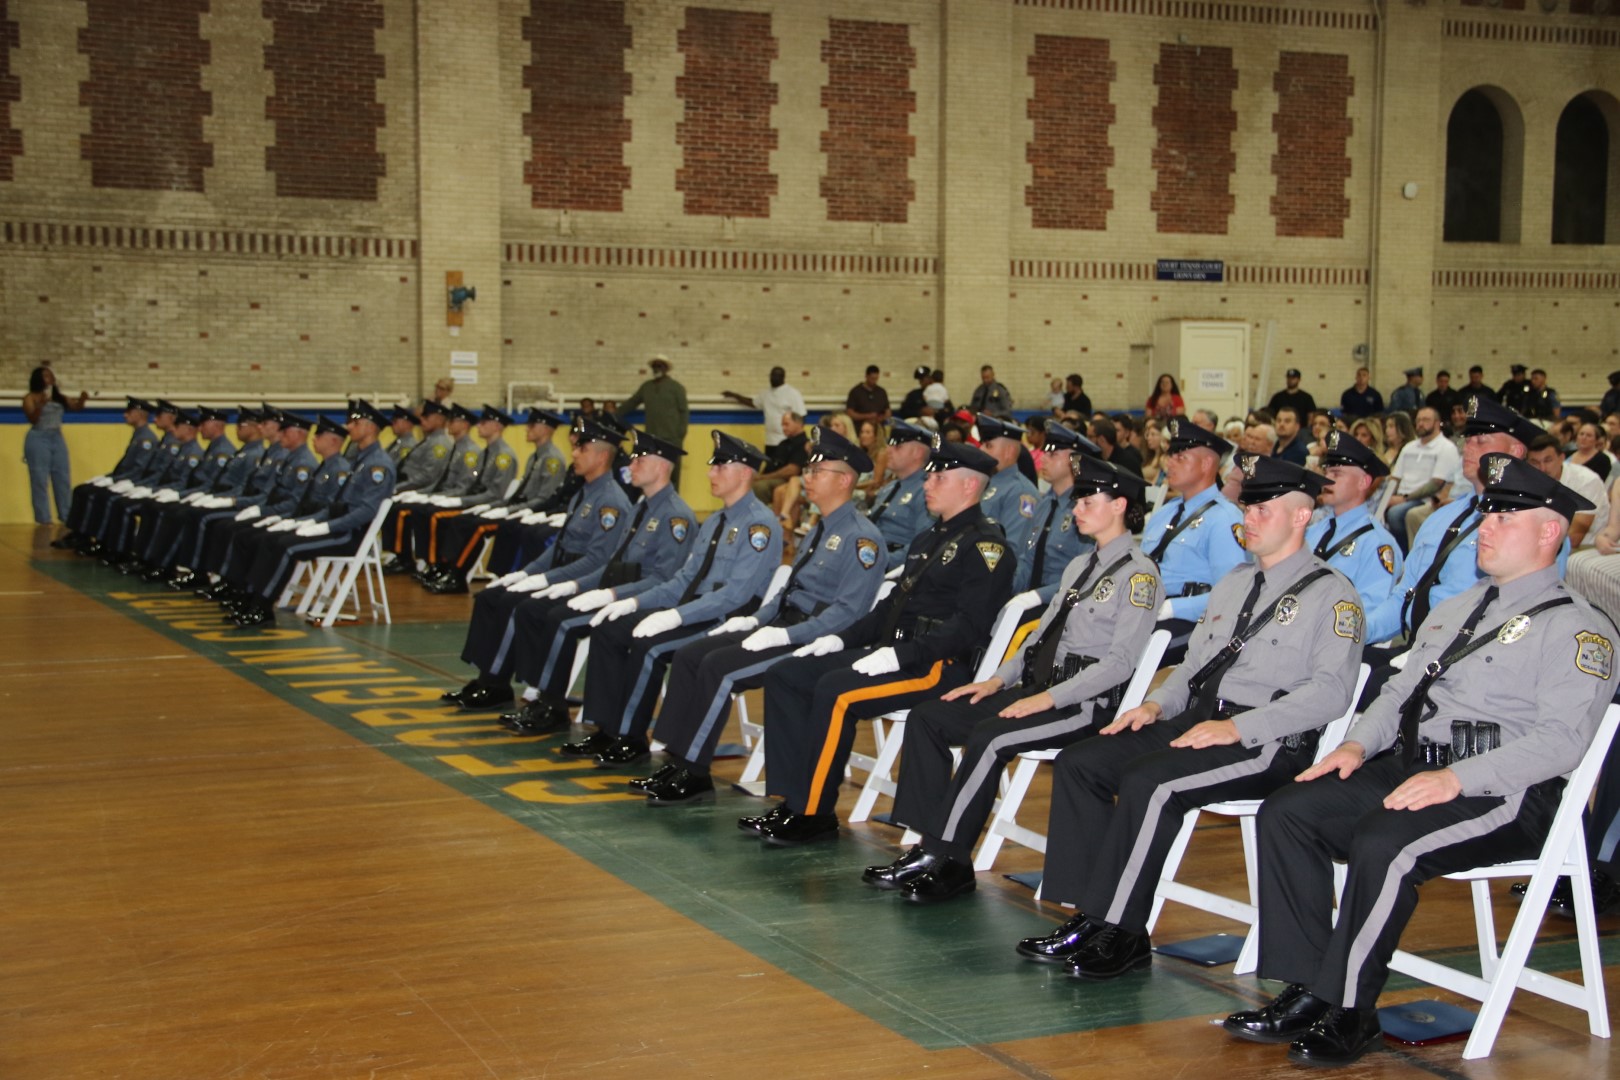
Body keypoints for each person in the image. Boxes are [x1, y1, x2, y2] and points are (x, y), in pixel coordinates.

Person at [1225, 453, 1611, 1067]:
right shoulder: (1455, 610)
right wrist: (1356, 744)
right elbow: (1398, 693)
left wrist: (1457, 777)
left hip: (1506, 791)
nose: (1485, 528)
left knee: (1385, 843)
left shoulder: (1579, 631)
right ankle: (1308, 987)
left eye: (1504, 519)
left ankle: (1351, 1010)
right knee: (1288, 812)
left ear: (1549, 533)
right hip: (1416, 769)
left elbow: (1562, 741)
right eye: (1486, 514)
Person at [1016, 455, 1361, 978]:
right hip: (1198, 721)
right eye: (1247, 508)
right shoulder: (1234, 582)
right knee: (1083, 762)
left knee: (1150, 782)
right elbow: (1195, 667)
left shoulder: (1333, 595)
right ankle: (1089, 911)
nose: (1248, 519)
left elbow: (1331, 694)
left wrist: (1238, 727)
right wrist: (1156, 704)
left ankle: (1120, 929)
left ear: (1301, 517)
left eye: (1263, 510)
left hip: (1264, 741)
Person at [867, 455, 1161, 902]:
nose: (1076, 509)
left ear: (1119, 505)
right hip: (1039, 689)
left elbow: (1120, 664)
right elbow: (1038, 639)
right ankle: (927, 845)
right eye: (1077, 500)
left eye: (1088, 501)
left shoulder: (1139, 576)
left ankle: (949, 859)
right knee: (931, 717)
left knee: (991, 737)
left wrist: (1048, 699)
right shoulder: (1080, 566)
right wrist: (997, 681)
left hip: (1082, 704)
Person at [742, 438, 1017, 846]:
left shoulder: (986, 546)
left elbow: (968, 626)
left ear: (970, 486)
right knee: (788, 674)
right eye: (929, 477)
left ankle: (813, 813)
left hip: (936, 666)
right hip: (895, 654)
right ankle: (794, 797)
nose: (927, 484)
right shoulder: (929, 539)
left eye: (939, 478)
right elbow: (890, 607)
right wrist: (839, 640)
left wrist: (901, 655)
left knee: (836, 692)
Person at [636, 429, 886, 802]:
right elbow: (788, 593)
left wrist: (785, 636)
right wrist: (756, 620)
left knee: (719, 667)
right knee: (692, 655)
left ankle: (694, 770)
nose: (807, 478)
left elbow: (848, 612)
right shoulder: (818, 529)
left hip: (812, 640)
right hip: (781, 625)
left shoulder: (862, 539)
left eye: (817, 472)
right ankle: (677, 757)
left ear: (845, 481)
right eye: (808, 470)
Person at [560, 431, 782, 765]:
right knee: (612, 627)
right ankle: (607, 727)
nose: (710, 473)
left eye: (720, 467)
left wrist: (676, 616)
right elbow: (684, 579)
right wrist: (635, 602)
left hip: (726, 618)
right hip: (695, 608)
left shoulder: (759, 526)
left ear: (745, 473)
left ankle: (631, 737)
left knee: (649, 647)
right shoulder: (716, 521)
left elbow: (734, 595)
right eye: (712, 466)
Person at [461, 426, 691, 731]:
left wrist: (602, 593)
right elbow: (612, 564)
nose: (631, 465)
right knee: (531, 607)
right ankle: (530, 691)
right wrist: (549, 580)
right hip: (616, 590)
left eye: (639, 461)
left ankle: (553, 705)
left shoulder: (674, 516)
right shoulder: (640, 508)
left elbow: (663, 578)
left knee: (561, 619)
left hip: (641, 600)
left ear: (661, 468)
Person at [1364, 395, 1544, 646]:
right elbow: (1403, 598)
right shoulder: (1441, 517)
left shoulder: (1530, 525)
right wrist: (1358, 632)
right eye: (1467, 440)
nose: (1468, 448)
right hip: (1415, 647)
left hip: (1471, 653)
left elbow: (1521, 615)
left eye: (1481, 441)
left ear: (1515, 451)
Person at [219, 401, 396, 628]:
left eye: (355, 423)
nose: (349, 427)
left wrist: (326, 527)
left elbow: (366, 511)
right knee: (270, 540)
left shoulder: (377, 464)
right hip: (338, 526)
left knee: (286, 547)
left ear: (370, 427)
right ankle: (250, 598)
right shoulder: (360, 460)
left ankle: (262, 607)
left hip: (348, 535)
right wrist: (307, 522)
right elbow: (335, 506)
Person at [421, 408, 572, 594]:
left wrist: (509, 510)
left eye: (533, 425)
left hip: (529, 512)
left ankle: (459, 574)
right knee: (462, 521)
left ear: (547, 429)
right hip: (515, 507)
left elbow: (544, 498)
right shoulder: (536, 456)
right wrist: (496, 507)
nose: (527, 428)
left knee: (479, 527)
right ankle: (450, 570)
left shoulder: (551, 459)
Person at [1142, 420, 1248, 663]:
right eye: (1170, 456)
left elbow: (1231, 595)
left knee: (1132, 656)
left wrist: (1173, 608)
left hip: (1191, 620)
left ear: (1207, 464)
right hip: (1147, 608)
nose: (1169, 463)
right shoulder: (1165, 512)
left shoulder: (1224, 518)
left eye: (1180, 457)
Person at [404, 405, 520, 583]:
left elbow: (494, 493)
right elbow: (469, 485)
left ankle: (452, 570)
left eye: (484, 422)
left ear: (497, 426)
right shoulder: (486, 453)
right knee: (428, 511)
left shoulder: (503, 456)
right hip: (474, 501)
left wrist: (460, 501)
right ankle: (439, 565)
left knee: (445, 518)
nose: (479, 426)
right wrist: (440, 496)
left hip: (486, 505)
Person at [1307, 432, 1402, 612]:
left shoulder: (1376, 543)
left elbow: (1370, 613)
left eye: (1336, 473)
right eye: (1326, 471)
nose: (1326, 480)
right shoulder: (1313, 531)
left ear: (1363, 482)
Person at [53, 396, 158, 549]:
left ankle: (94, 537)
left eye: (129, 412)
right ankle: (79, 532)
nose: (125, 415)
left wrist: (114, 480)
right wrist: (106, 477)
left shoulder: (147, 439)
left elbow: (138, 470)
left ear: (140, 414)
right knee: (82, 490)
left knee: (98, 496)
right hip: (122, 479)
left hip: (130, 483)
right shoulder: (139, 435)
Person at [1010, 422, 1097, 602]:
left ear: (1074, 462)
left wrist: (1036, 597)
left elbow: (1085, 576)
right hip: (1030, 600)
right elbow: (1027, 560)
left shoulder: (1085, 511)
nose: (1043, 459)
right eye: (1045, 453)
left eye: (1052, 454)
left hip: (1063, 603)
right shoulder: (1044, 505)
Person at [386, 403, 478, 570]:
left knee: (422, 513)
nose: (421, 420)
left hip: (457, 499)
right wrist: (424, 494)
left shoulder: (458, 448)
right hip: (441, 494)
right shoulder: (453, 446)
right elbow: (440, 481)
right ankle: (423, 561)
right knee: (414, 510)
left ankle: (432, 562)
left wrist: (429, 495)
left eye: (426, 416)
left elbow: (459, 484)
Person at [1381, 407, 1461, 552]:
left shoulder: (1446, 447)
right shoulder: (1409, 447)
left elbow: (1436, 484)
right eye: (1418, 420)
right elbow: (1395, 479)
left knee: (1395, 514)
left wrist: (1404, 498)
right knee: (1374, 509)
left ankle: (1404, 555)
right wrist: (1384, 499)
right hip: (1401, 496)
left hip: (1425, 499)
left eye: (1425, 420)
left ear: (1437, 423)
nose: (1420, 424)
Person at [22, 366, 90, 525]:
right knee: (40, 479)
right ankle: (43, 518)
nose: (50, 378)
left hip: (57, 437)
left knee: (62, 476)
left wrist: (82, 399)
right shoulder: (30, 397)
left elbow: (76, 407)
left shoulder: (59, 397)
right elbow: (32, 419)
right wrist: (40, 405)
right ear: (38, 379)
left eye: (51, 375)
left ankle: (66, 514)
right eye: (46, 375)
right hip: (38, 438)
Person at [863, 419, 934, 569]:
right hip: (871, 556)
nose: (888, 450)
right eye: (889, 444)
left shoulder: (927, 491)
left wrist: (880, 564)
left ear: (918, 453)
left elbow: (922, 544)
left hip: (895, 567)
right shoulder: (889, 488)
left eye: (898, 446)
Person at [1527, 433, 1606, 548]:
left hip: (1586, 545)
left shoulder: (1586, 480)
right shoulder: (1526, 480)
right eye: (1535, 463)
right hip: (1542, 542)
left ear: (1561, 458)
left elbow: (1574, 537)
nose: (1542, 468)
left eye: (1548, 460)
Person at [975, 413, 1040, 552]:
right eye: (982, 444)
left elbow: (1013, 550)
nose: (981, 449)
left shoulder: (1021, 492)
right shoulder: (985, 482)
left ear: (1009, 452)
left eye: (988, 446)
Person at [621, 354, 689, 484]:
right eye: (654, 366)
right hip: (652, 439)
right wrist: (615, 413)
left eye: (660, 366)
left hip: (671, 439)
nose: (657, 368)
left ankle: (673, 497)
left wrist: (679, 434)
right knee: (652, 472)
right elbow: (632, 402)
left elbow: (684, 412)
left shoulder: (676, 387)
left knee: (672, 472)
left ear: (666, 368)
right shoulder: (646, 387)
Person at [723, 365, 804, 448]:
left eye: (776, 376)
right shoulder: (766, 394)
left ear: (782, 377)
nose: (773, 378)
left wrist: (798, 440)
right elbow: (753, 403)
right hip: (770, 441)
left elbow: (801, 417)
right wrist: (735, 396)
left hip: (787, 441)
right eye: (771, 376)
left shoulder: (793, 393)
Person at [752, 411, 810, 510]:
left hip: (790, 480)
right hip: (773, 477)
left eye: (786, 424)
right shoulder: (783, 443)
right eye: (782, 425)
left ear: (799, 424)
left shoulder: (804, 444)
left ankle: (761, 516)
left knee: (760, 487)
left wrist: (763, 477)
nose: (783, 428)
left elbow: (792, 470)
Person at [853, 417, 889, 503]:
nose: (863, 435)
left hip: (877, 492)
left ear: (876, 436)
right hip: (863, 489)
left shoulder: (882, 453)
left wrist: (853, 485)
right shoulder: (864, 453)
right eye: (862, 432)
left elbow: (876, 481)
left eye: (867, 432)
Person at [1139, 420, 1167, 484]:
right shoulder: (1149, 457)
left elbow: (1159, 482)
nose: (1148, 438)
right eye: (1148, 435)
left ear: (1162, 436)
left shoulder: (1164, 459)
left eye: (1153, 434)